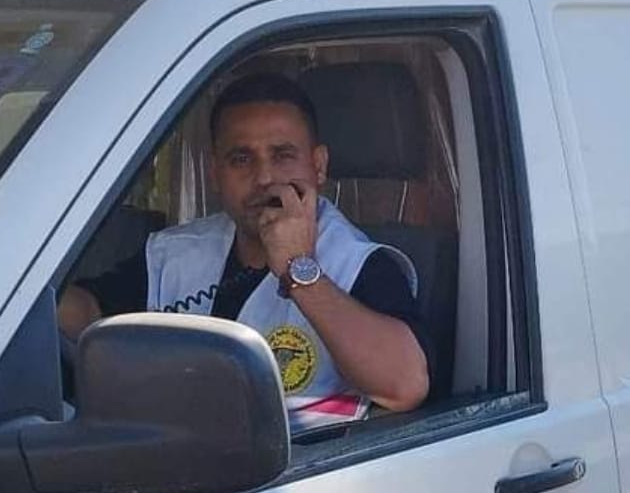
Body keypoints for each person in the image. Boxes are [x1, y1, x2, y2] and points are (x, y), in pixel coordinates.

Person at [58, 72, 431, 432]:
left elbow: (405, 385)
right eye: (241, 159)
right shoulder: (175, 253)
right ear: (215, 173)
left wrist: (299, 270)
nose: (264, 177)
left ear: (318, 166)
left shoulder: (360, 261)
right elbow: (87, 311)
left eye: (283, 155)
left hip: (302, 481)